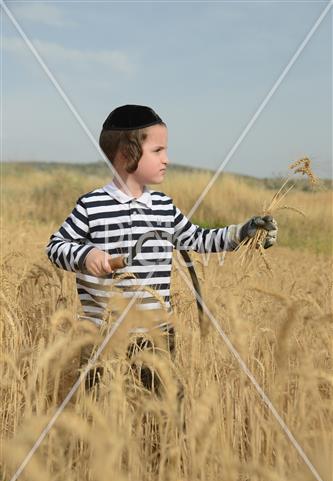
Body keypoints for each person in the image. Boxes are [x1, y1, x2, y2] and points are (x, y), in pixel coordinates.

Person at [45, 104, 278, 391]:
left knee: (163, 415)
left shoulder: (163, 207)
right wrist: (87, 254)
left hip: (156, 336)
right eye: (158, 151)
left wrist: (243, 232)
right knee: (98, 415)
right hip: (101, 335)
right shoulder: (91, 205)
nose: (167, 159)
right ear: (128, 153)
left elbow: (198, 239)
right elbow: (56, 246)